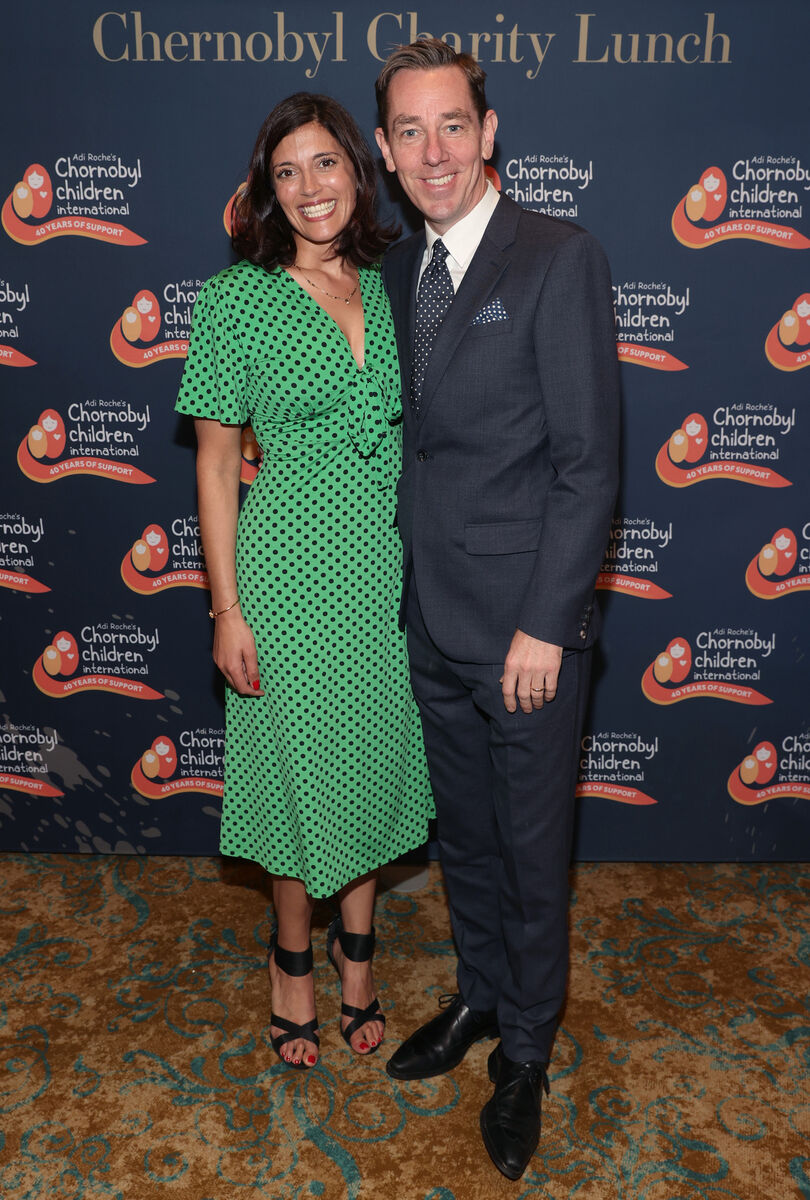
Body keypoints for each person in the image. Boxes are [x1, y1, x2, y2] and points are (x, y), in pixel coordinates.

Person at [374, 40, 620, 1180]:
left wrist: (544, 624)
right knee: (463, 839)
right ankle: (479, 998)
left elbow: (586, 466)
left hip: (522, 636)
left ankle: (526, 1048)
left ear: (488, 132)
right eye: (409, 132)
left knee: (530, 854)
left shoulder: (556, 257)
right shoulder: (392, 270)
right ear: (384, 149)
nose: (433, 152)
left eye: (451, 126)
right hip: (427, 619)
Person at [175, 93, 434, 1072]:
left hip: (388, 569)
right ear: (265, 192)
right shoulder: (233, 300)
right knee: (297, 783)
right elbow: (210, 466)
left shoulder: (394, 282)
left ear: (356, 173)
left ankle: (356, 958)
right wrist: (225, 607)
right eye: (286, 172)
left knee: (368, 765)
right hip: (282, 574)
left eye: (323, 164)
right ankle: (291, 968)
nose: (308, 187)